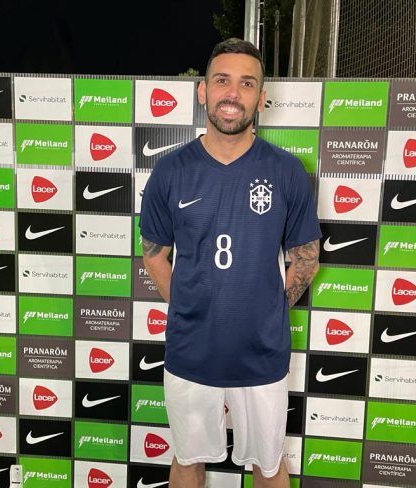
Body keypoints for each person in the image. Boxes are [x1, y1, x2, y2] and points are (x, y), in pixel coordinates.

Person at [139, 38, 321, 488]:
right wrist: (189, 308)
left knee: (269, 465)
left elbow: (306, 259)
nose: (233, 93)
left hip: (261, 353)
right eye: (222, 80)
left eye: (247, 83)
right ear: (203, 91)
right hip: (191, 350)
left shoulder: (287, 171)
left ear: (261, 97)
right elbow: (154, 255)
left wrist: (265, 312)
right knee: (187, 460)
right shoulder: (170, 171)